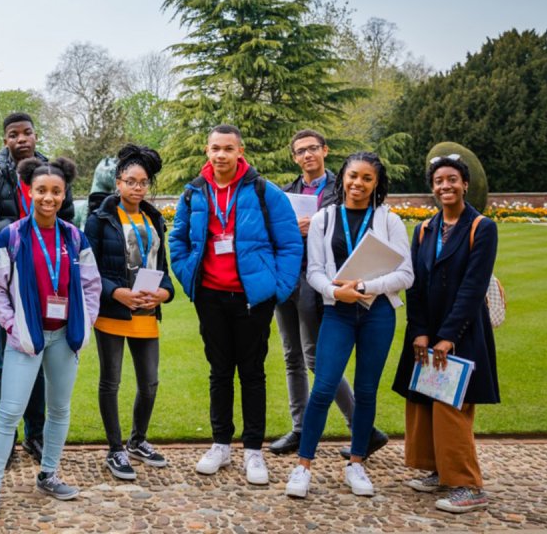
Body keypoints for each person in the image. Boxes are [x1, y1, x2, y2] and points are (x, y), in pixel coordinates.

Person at [168, 124, 302, 485]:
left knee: (253, 373)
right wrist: (187, 275)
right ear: (207, 151)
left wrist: (278, 288)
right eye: (216, 148)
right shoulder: (194, 192)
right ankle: (220, 444)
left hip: (251, 298)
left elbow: (290, 244)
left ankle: (253, 450)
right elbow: (177, 240)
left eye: (229, 148)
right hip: (211, 296)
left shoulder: (264, 191)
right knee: (219, 371)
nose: (222, 155)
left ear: (240, 151)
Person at [0, 157, 101, 521]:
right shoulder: (11, 236)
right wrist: (13, 327)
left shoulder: (74, 236)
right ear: (29, 191)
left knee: (59, 409)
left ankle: (48, 473)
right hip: (25, 338)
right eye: (41, 190)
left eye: (56, 191)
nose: (48, 197)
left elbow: (91, 285)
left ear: (64, 194)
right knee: (10, 411)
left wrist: (85, 322)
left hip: (64, 335)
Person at [284, 152, 413, 498]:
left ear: (376, 184)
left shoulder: (389, 220)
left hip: (378, 313)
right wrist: (334, 292)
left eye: (367, 178)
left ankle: (356, 463)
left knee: (367, 390)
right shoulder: (325, 218)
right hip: (338, 312)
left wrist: (364, 288)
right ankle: (303, 466)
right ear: (342, 177)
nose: (358, 183)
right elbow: (313, 271)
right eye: (353, 176)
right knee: (324, 387)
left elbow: (406, 274)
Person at [270, 130, 389, 459]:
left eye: (312, 149)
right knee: (290, 356)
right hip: (288, 277)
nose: (307, 155)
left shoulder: (345, 188)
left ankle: (362, 429)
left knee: (314, 357)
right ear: (294, 157)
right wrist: (293, 229)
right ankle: (299, 428)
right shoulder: (287, 193)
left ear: (325, 150)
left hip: (322, 280)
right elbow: (275, 234)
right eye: (300, 151)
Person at [391, 155, 500, 513]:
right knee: (423, 400)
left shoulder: (481, 227)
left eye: (452, 179)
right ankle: (439, 470)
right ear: (432, 188)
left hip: (462, 331)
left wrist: (448, 335)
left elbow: (473, 287)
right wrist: (420, 332)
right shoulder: (424, 229)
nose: (445, 186)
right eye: (439, 181)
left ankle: (468, 485)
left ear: (465, 183)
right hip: (427, 331)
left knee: (451, 405)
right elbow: (416, 285)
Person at [0, 112, 74, 464]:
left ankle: (36, 435)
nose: (21, 139)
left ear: (35, 135)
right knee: (8, 361)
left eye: (27, 133)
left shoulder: (52, 174)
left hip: (49, 280)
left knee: (43, 361)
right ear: (5, 140)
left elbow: (68, 221)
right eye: (13, 134)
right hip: (10, 279)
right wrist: (18, 231)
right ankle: (9, 436)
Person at [85, 144, 175, 481]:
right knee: (111, 381)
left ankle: (138, 440)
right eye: (131, 181)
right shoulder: (100, 219)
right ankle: (115, 449)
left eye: (143, 182)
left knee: (149, 383)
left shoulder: (153, 219)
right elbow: (88, 269)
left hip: (146, 311)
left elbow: (162, 267)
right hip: (113, 311)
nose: (137, 188)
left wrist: (164, 293)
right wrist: (117, 292)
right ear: (118, 183)